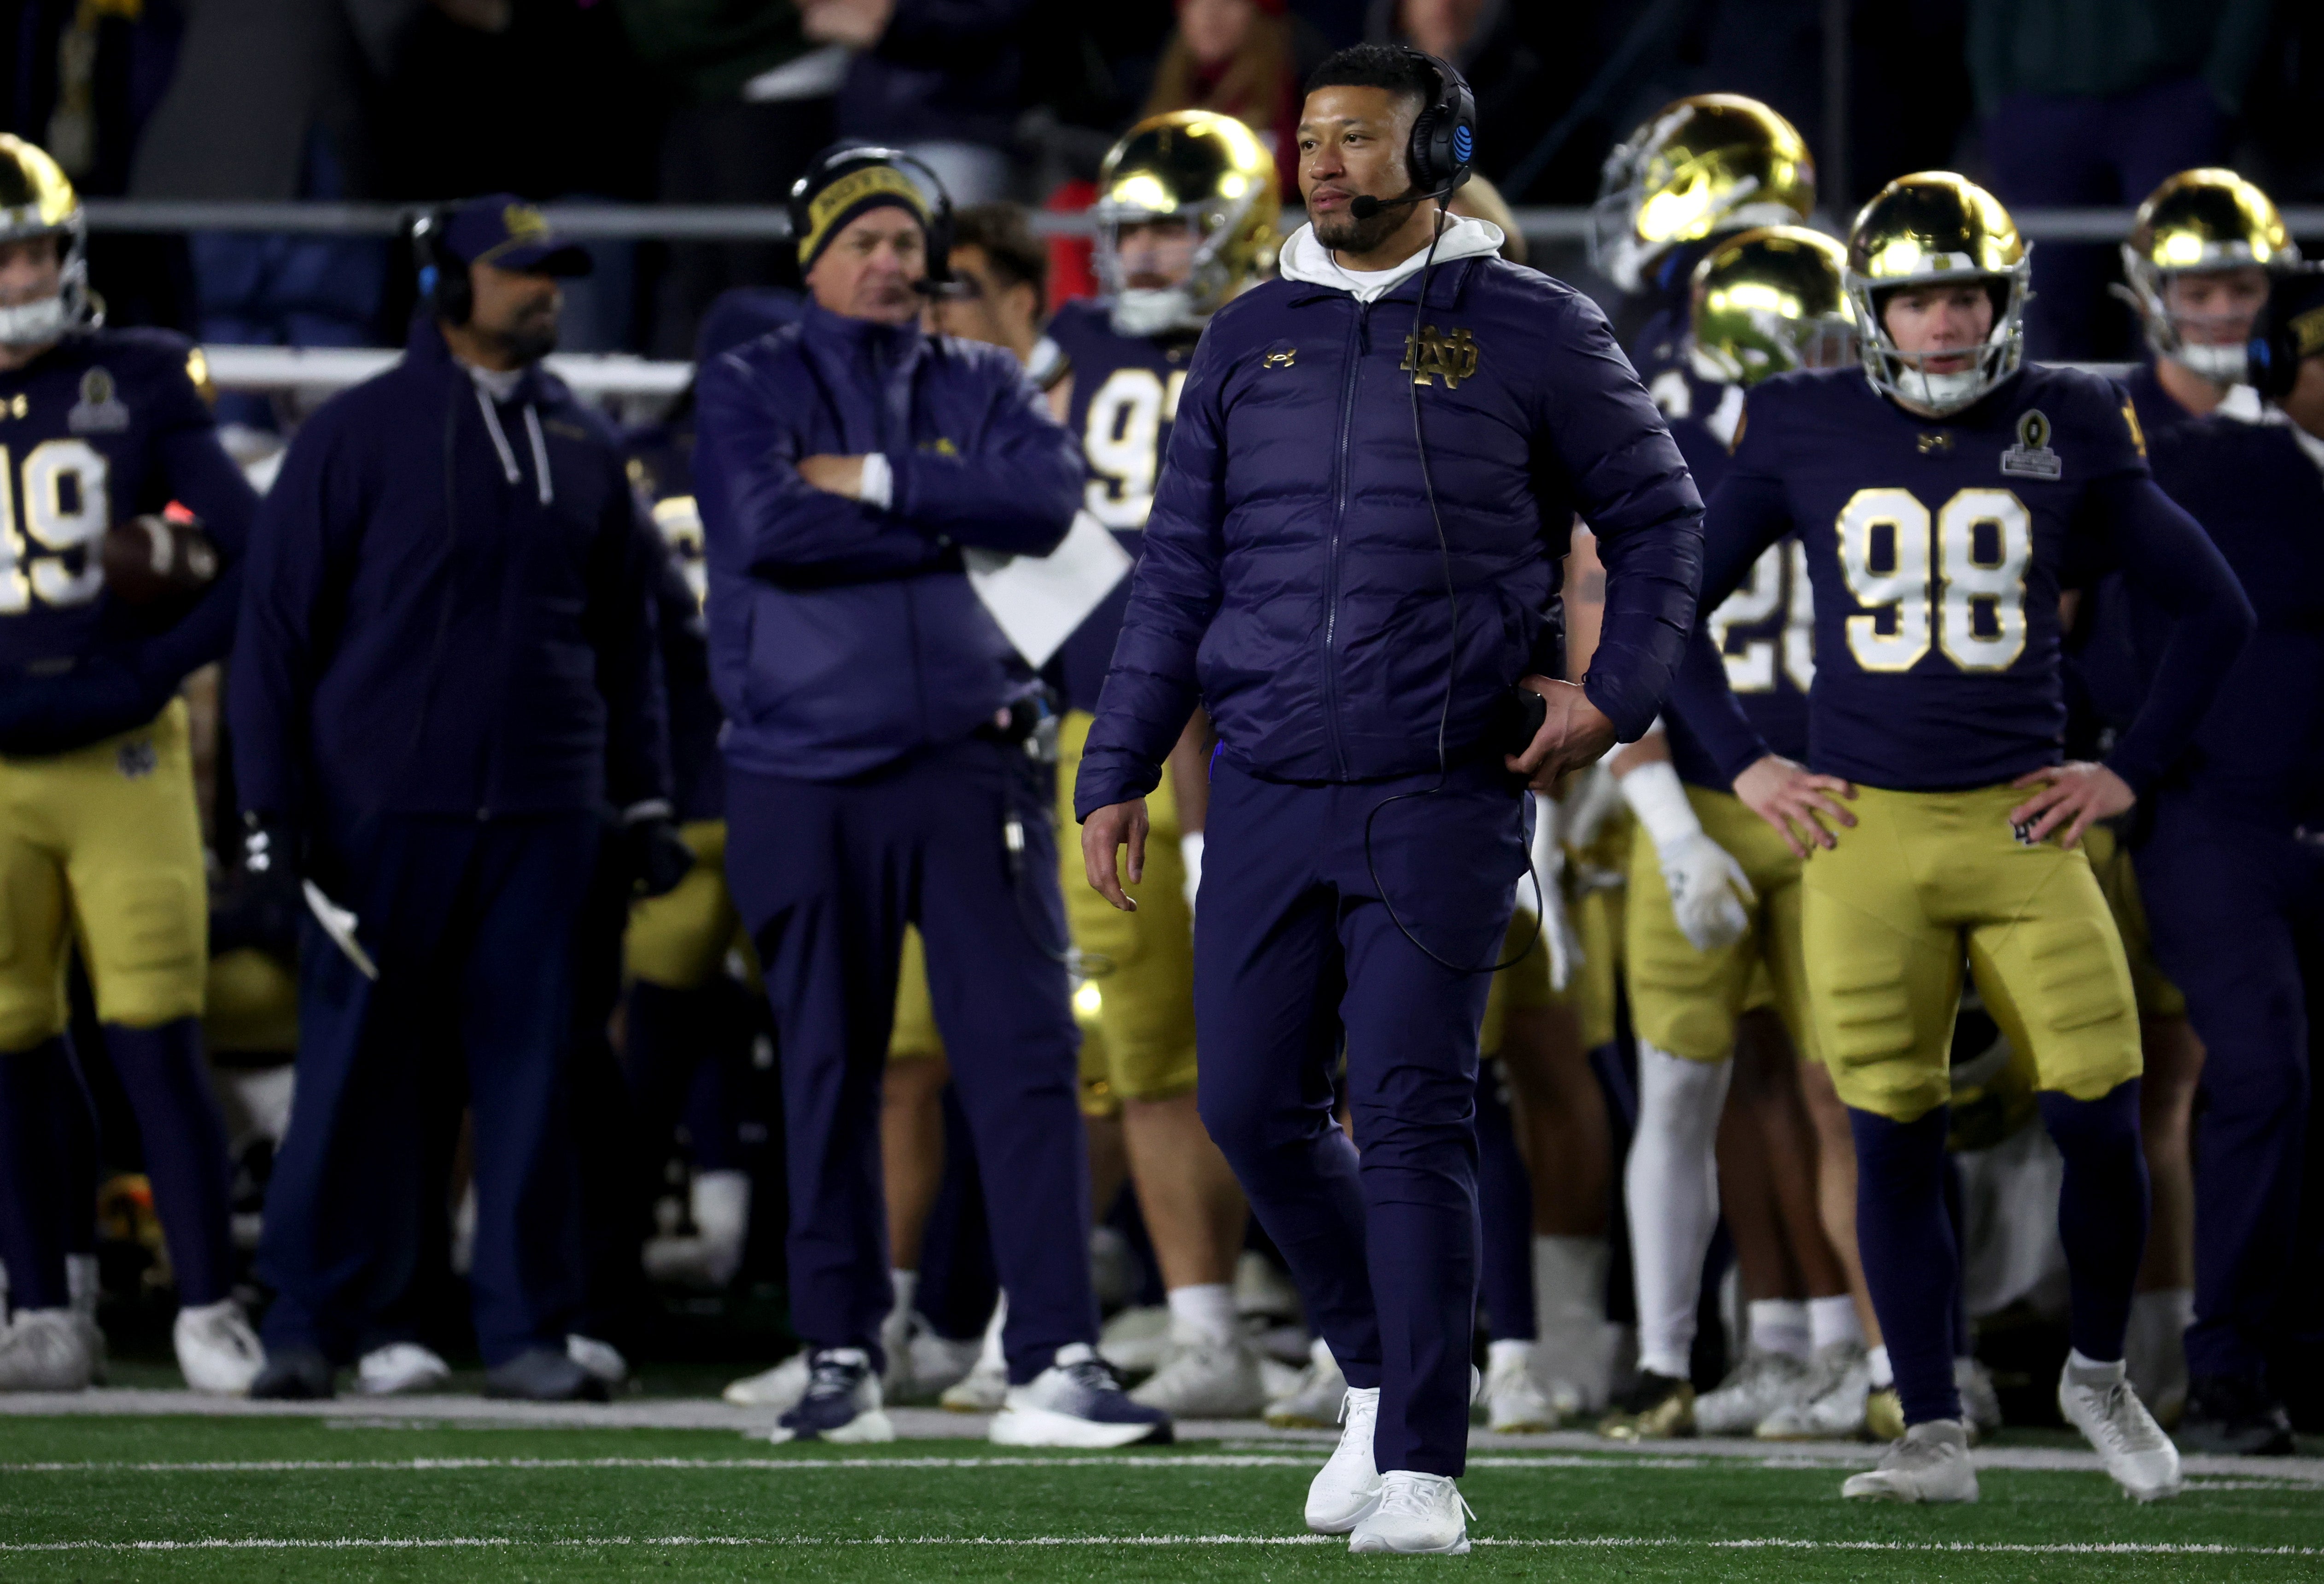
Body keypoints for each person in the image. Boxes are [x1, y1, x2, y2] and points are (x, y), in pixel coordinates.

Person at [1078, 45, 1704, 1552]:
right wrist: (1117, 759)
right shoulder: (1244, 337)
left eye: (1359, 139)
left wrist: (1610, 694)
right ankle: (1375, 1365)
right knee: (1243, 1100)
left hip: (1441, 782)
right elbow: (1177, 571)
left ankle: (1425, 1453)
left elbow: (1663, 517)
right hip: (1273, 774)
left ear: (1437, 147)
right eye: (1311, 140)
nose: (1325, 164)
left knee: (1415, 1109)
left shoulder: (1537, 324)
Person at [1663, 171, 2254, 1504]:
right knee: (1887, 1132)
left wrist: (2126, 771)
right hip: (1863, 833)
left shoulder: (2072, 413)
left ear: (2002, 301)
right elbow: (1666, 611)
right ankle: (1927, 1423)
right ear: (1871, 307)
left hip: (2022, 826)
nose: (1940, 322)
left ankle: (2093, 1371)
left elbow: (2213, 609)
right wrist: (1748, 763)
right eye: (1916, 296)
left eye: (1963, 295)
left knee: (2099, 1112)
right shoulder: (1802, 419)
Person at [693, 146, 1168, 1449]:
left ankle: (1054, 1354)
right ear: (813, 257)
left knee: (1024, 1062)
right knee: (830, 1068)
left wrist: (888, 482)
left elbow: (1048, 498)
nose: (896, 263)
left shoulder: (980, 376)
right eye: (868, 242)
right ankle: (839, 1348)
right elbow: (762, 528)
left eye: (911, 243)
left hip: (971, 759)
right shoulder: (748, 379)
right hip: (799, 769)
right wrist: (953, 520)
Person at [230, 194, 684, 1403]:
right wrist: (270, 812)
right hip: (379, 809)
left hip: (546, 813)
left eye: (551, 273)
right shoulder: (354, 433)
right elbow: (271, 631)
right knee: (354, 1070)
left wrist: (641, 801)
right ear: (443, 284)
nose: (545, 290)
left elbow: (628, 636)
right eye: (517, 271)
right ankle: (311, 1314)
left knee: (531, 1075)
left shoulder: (585, 440)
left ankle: (523, 1322)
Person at [1593, 226, 1874, 1444]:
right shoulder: (1655, 427)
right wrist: (1660, 816)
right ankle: (1671, 1361)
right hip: (1706, 787)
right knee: (1690, 1084)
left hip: (1841, 795)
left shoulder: (1877, 431)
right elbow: (1605, 617)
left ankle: (1874, 1352)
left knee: (1847, 1085)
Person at [0, 134, 264, 1395]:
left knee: (156, 1023)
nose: (25, 272)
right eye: (6, 254)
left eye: (38, 248)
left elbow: (248, 547)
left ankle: (211, 1302)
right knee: (8, 1035)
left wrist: (154, 669)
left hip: (117, 753)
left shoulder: (138, 375)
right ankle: (45, 1298)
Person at [1038, 110, 1280, 1420]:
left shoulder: (1278, 334)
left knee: (1297, 1031)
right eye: (1122, 226)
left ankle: (1339, 1304)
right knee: (1137, 1036)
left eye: (1163, 225)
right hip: (1104, 725)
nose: (1136, 250)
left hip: (1264, 726)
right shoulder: (1067, 352)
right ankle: (1201, 1319)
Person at [2103, 169, 2302, 1431]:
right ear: (2148, 295)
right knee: (2222, 1071)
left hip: (2271, 802)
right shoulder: (2097, 425)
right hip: (2174, 805)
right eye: (2200, 285)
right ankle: (2196, 1348)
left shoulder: (2293, 433)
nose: (2223, 308)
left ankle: (2251, 1347)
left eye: (2242, 285)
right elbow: (2066, 624)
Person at [1969, 0, 2272, 358]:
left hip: (2173, 93)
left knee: (2180, 290)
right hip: (2039, 100)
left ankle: (2175, 415)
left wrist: (2223, 88)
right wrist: (1994, 96)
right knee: (2046, 299)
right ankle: (2058, 414)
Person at [1588, 94, 1816, 374]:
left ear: (1693, 186)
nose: (1636, 208)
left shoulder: (1668, 299)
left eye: (1651, 182)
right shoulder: (1814, 274)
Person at [1140, 0, 1305, 195]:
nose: (1211, 14)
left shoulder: (1294, 90)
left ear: (1258, 13)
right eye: (1197, 2)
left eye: (1229, 2)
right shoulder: (1162, 89)